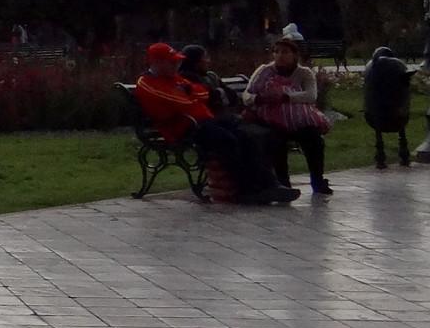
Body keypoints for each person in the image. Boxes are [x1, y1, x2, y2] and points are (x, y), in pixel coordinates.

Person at [136, 43, 293, 204]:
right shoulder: (147, 82)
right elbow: (179, 101)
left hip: (205, 121)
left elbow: (203, 92)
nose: (177, 64)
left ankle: (269, 184)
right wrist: (191, 96)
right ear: (157, 63)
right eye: (172, 61)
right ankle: (246, 190)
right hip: (184, 127)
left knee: (246, 135)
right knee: (227, 140)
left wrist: (192, 95)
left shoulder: (175, 79)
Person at [244, 28, 332, 196]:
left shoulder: (304, 73)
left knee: (314, 138)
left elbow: (311, 96)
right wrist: (261, 99)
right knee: (275, 139)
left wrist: (285, 97)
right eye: (276, 52)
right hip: (272, 119)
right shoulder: (265, 71)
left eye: (285, 52)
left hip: (299, 120)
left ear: (294, 55)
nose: (280, 56)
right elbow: (248, 95)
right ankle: (283, 183)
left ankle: (317, 180)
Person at [362, 46, 414, 169]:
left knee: (387, 124)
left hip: (377, 112)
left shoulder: (374, 67)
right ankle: (403, 156)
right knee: (400, 127)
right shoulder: (395, 68)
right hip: (390, 113)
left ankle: (381, 158)